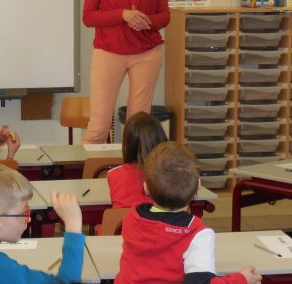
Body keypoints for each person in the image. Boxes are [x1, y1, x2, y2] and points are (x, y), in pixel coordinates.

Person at [117, 142, 262, 283]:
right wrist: (241, 279)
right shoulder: (197, 234)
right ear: (198, 186)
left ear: (145, 187)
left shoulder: (132, 218)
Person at [81, 0, 169, 144]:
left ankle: (133, 166)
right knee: (98, 128)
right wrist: (123, 15)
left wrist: (146, 21)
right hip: (108, 52)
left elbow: (165, 16)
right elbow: (88, 17)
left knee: (138, 127)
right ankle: (87, 166)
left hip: (147, 54)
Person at [107, 112, 167, 208]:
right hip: (160, 222)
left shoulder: (113, 174)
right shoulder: (170, 176)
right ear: (161, 140)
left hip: (124, 223)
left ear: (127, 144)